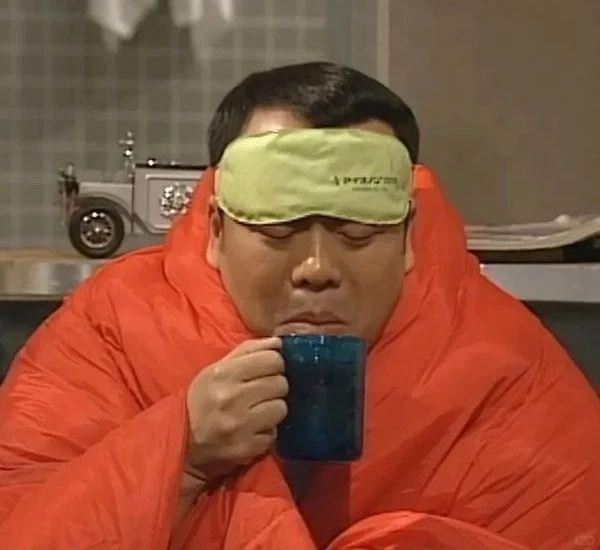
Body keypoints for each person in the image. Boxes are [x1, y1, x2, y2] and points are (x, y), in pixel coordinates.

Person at [0, 62, 598, 550]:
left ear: (408, 237)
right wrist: (182, 453)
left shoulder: (500, 360)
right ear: (216, 230)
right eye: (278, 232)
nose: (317, 267)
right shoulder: (114, 327)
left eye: (357, 235)